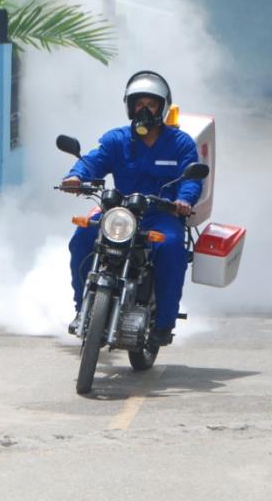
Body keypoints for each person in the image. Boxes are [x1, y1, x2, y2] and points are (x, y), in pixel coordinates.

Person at [61, 70, 202, 347]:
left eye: (151, 104)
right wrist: (76, 177)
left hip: (161, 215)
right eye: (139, 103)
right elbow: (93, 161)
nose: (144, 110)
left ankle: (164, 322)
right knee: (83, 239)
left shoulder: (180, 143)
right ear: (129, 106)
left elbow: (192, 179)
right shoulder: (116, 139)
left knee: (172, 248)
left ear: (163, 107)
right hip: (120, 214)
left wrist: (184, 201)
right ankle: (81, 310)